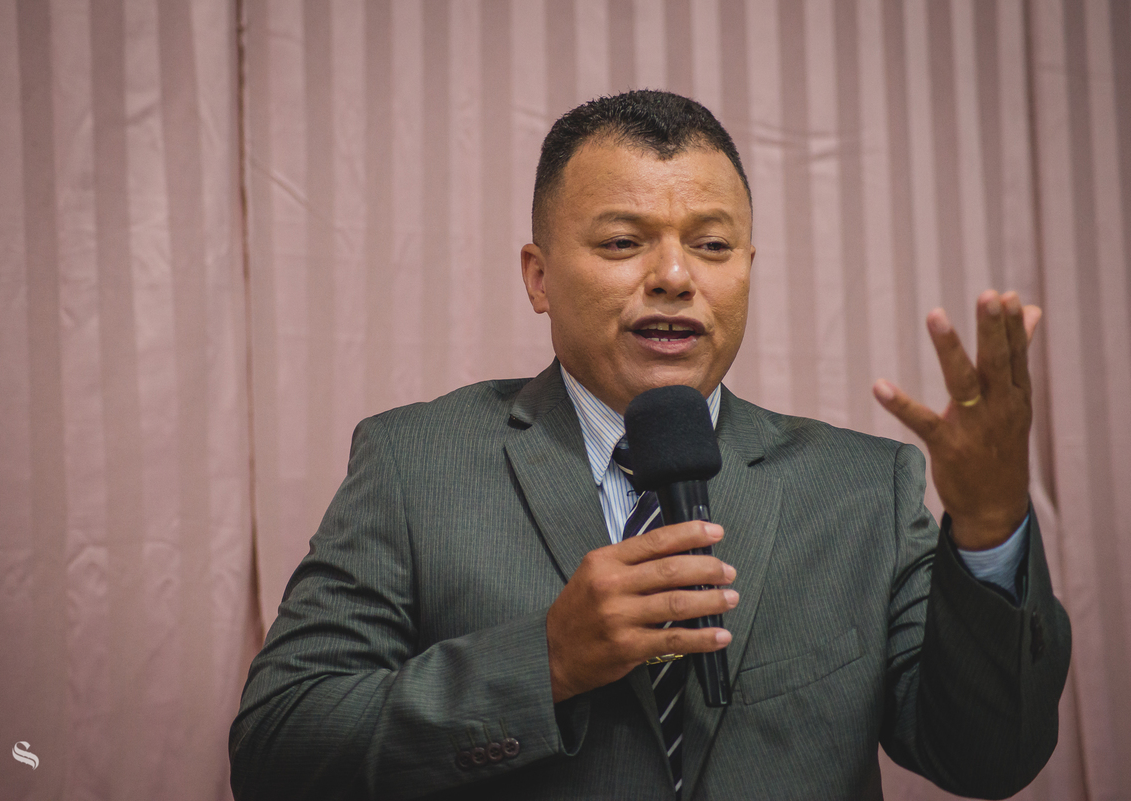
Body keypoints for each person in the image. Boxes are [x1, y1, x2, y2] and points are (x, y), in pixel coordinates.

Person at [229, 90, 1069, 800]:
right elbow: (279, 744)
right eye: (623, 242)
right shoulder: (417, 463)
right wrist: (545, 661)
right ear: (539, 275)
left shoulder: (863, 488)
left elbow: (987, 757)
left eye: (711, 245)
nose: (674, 276)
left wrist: (991, 527)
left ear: (747, 266)